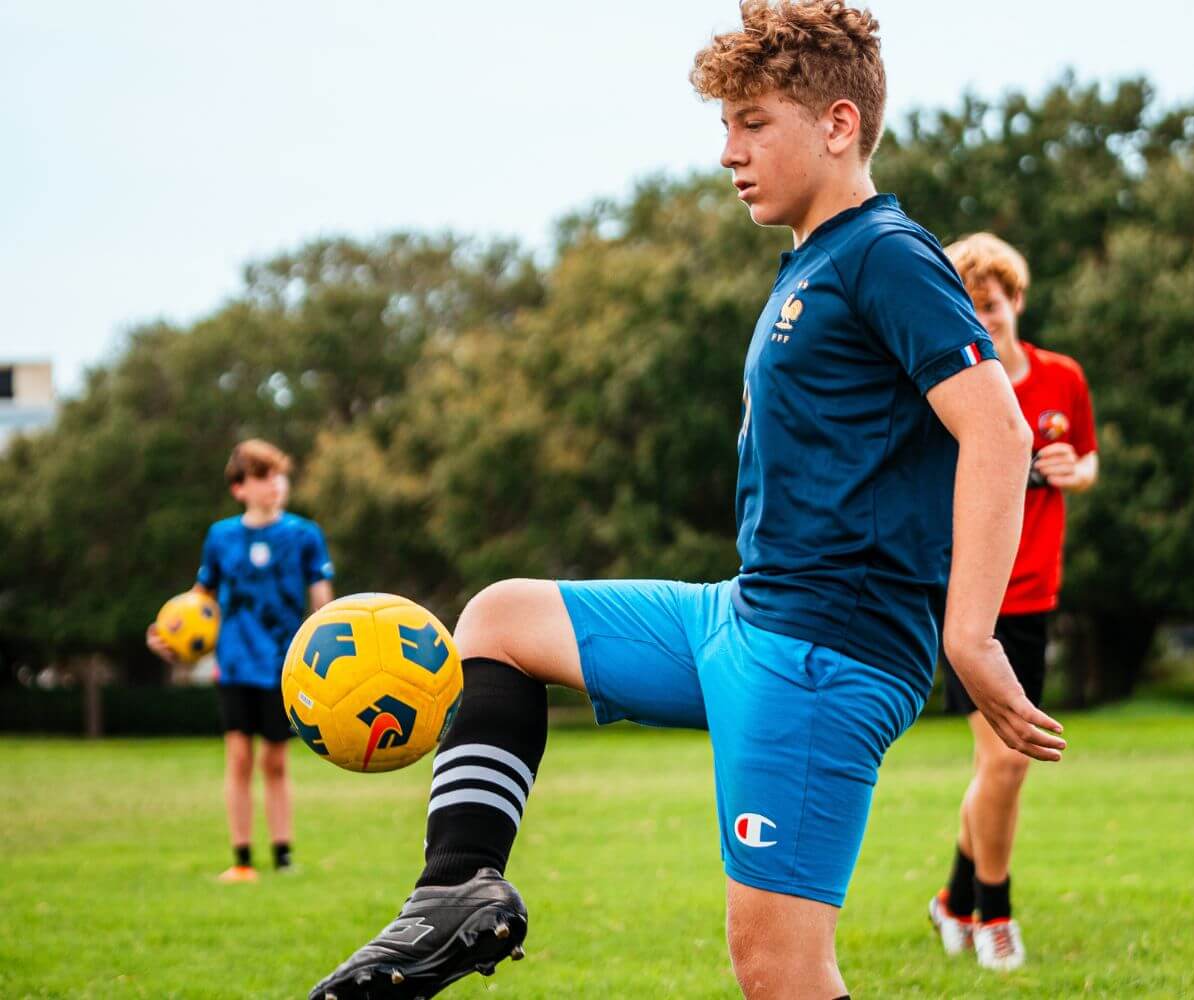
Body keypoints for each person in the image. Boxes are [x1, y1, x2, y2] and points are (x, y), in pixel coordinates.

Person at [308, 4, 1063, 998]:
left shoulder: (887, 251)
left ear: (839, 126)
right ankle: (455, 894)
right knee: (499, 618)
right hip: (747, 617)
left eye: (753, 124)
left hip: (824, 652)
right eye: (725, 127)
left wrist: (971, 636)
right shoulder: (817, 261)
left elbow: (1000, 432)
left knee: (780, 971)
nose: (727, 153)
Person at [926, 233, 1098, 971]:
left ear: (1016, 302)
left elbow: (1087, 461)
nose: (982, 319)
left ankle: (952, 901)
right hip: (967, 602)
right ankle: (993, 913)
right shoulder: (953, 383)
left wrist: (1070, 468)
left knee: (1000, 767)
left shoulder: (1063, 379)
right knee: (1005, 765)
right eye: (967, 307)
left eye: (991, 306)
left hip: (1033, 599)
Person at [147, 438, 335, 882]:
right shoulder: (221, 537)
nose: (276, 484)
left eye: (279, 475)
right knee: (238, 759)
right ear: (239, 487)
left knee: (276, 761)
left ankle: (284, 854)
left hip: (284, 666)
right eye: (264, 476)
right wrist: (169, 637)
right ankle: (243, 858)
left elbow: (324, 603)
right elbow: (199, 603)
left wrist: (330, 647)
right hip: (233, 664)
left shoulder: (305, 535)